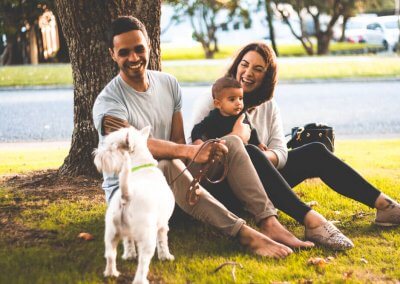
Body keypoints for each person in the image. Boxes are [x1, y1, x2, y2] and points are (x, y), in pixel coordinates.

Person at [92, 16, 314, 260]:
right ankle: (244, 234)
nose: (133, 58)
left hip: (171, 190)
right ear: (113, 54)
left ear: (149, 47)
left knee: (229, 142)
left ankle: (268, 221)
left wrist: (203, 150)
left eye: (139, 49)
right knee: (165, 164)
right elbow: (136, 145)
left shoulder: (168, 84)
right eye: (124, 52)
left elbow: (178, 142)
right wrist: (189, 152)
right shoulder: (108, 102)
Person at [192, 42, 400, 250]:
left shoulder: (269, 106)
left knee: (315, 151)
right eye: (244, 65)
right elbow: (194, 154)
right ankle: (312, 221)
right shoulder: (213, 100)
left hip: (263, 179)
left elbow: (281, 152)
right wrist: (236, 139)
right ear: (236, 66)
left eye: (258, 69)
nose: (248, 73)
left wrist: (262, 157)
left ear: (267, 75)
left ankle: (384, 206)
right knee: (251, 152)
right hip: (222, 187)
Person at [191, 76, 266, 150]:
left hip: (243, 149)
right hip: (221, 153)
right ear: (218, 104)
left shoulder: (241, 115)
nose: (238, 103)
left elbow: (251, 130)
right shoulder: (213, 117)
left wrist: (258, 143)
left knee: (254, 151)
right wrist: (198, 142)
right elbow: (197, 129)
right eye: (232, 99)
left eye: (240, 98)